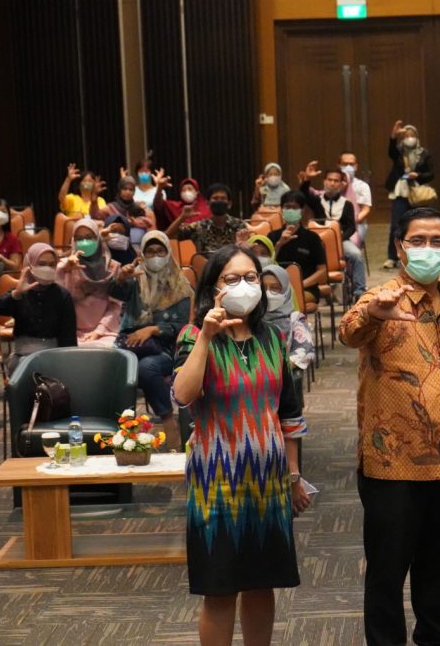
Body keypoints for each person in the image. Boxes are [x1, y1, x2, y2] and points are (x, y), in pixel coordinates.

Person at [339, 207, 440, 646]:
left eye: (437, 241)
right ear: (400, 246)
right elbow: (349, 332)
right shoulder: (381, 300)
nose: (428, 249)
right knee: (386, 575)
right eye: (417, 241)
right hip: (393, 468)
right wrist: (374, 314)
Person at [172, 244, 309, 646]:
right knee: (220, 589)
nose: (244, 285)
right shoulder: (193, 336)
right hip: (217, 482)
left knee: (262, 585)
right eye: (231, 279)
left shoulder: (273, 338)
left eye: (251, 277)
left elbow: (289, 413)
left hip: (268, 481)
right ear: (213, 288)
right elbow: (183, 394)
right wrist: (206, 335)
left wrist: (294, 476)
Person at [110, 231, 192, 451]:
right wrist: (121, 277)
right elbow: (114, 292)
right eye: (150, 252)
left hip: (166, 348)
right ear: (143, 255)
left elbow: (182, 327)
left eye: (160, 251)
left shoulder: (180, 285)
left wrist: (153, 329)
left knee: (147, 367)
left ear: (168, 253)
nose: (155, 256)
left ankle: (168, 422)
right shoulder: (136, 279)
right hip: (131, 343)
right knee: (117, 366)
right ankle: (122, 428)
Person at [0, 243, 77, 373]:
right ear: (30, 265)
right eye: (42, 264)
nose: (47, 268)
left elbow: (68, 337)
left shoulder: (62, 295)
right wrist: (16, 294)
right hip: (22, 357)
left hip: (53, 357)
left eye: (52, 265)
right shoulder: (20, 291)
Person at [56, 218, 122, 346]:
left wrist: (99, 331)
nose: (84, 242)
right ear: (73, 241)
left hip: (105, 332)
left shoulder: (113, 267)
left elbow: (115, 307)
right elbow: (57, 303)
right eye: (79, 238)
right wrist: (64, 271)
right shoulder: (65, 266)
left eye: (89, 237)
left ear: (98, 238)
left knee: (105, 350)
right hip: (71, 331)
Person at [383, 120, 434, 270]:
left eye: (412, 135)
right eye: (406, 136)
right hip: (400, 192)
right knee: (396, 225)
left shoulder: (424, 153)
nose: (409, 138)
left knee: (418, 226)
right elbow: (391, 151)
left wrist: (418, 175)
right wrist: (393, 136)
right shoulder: (398, 152)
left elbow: (431, 174)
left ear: (417, 137)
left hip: (418, 194)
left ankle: (417, 256)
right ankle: (392, 257)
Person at [312, 168, 367, 300]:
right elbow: (303, 193)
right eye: (329, 180)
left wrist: (337, 240)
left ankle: (359, 291)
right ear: (324, 181)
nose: (332, 183)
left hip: (341, 240)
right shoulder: (316, 201)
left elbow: (351, 228)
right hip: (318, 241)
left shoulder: (347, 204)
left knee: (356, 255)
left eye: (336, 181)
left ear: (341, 184)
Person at [267, 191, 327, 304]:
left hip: (306, 288)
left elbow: (322, 271)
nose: (290, 210)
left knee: (290, 301)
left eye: (294, 207)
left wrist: (299, 285)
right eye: (287, 207)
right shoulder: (272, 236)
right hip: (277, 289)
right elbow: (266, 266)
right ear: (282, 209)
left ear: (302, 210)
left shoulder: (312, 238)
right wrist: (279, 245)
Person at [262, 264, 315, 377]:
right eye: (263, 288)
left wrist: (273, 372)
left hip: (282, 377)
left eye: (275, 288)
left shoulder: (295, 319)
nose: (268, 293)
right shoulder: (251, 318)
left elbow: (305, 350)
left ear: (286, 290)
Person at [168, 183, 247, 255]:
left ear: (229, 204)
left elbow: (246, 251)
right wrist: (182, 217)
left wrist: (242, 246)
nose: (219, 201)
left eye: (223, 198)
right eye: (215, 198)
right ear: (208, 203)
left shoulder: (239, 225)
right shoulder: (198, 227)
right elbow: (167, 237)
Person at [340, 152, 373, 244]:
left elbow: (366, 209)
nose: (348, 167)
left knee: (351, 242)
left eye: (351, 164)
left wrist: (352, 221)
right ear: (339, 165)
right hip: (335, 223)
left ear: (356, 166)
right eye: (345, 164)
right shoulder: (334, 183)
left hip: (357, 223)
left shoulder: (362, 186)